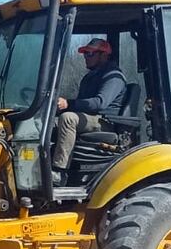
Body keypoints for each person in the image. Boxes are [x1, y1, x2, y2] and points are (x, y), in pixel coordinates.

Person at [51, 38, 127, 185]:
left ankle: (59, 172)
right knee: (47, 122)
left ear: (104, 55)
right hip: (90, 118)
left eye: (90, 54)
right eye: (85, 54)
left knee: (68, 118)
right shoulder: (88, 78)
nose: (86, 57)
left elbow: (99, 103)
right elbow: (82, 105)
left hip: (105, 121)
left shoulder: (114, 77)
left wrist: (68, 104)